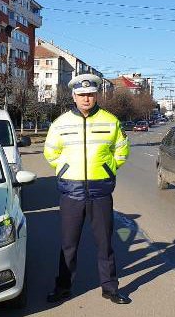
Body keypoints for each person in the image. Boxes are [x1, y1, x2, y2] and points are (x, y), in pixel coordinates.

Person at [43, 73, 132, 305]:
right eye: (81, 95)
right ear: (73, 96)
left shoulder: (110, 121)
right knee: (68, 245)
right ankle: (63, 288)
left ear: (96, 95)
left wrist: (108, 168)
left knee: (105, 244)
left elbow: (121, 150)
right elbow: (50, 152)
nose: (86, 99)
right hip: (71, 192)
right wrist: (64, 170)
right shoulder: (60, 123)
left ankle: (110, 288)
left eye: (90, 94)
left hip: (100, 191)